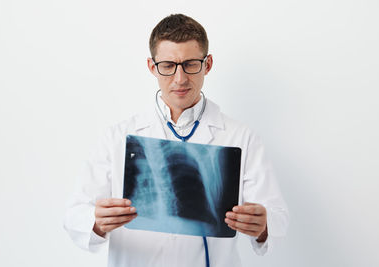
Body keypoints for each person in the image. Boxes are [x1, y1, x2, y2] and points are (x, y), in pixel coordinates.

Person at [64, 14, 289, 267]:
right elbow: (74, 214)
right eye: (168, 65)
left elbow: (278, 217)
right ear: (152, 66)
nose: (180, 79)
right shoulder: (117, 137)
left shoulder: (241, 137)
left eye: (191, 64)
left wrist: (263, 225)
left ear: (208, 64)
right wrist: (96, 221)